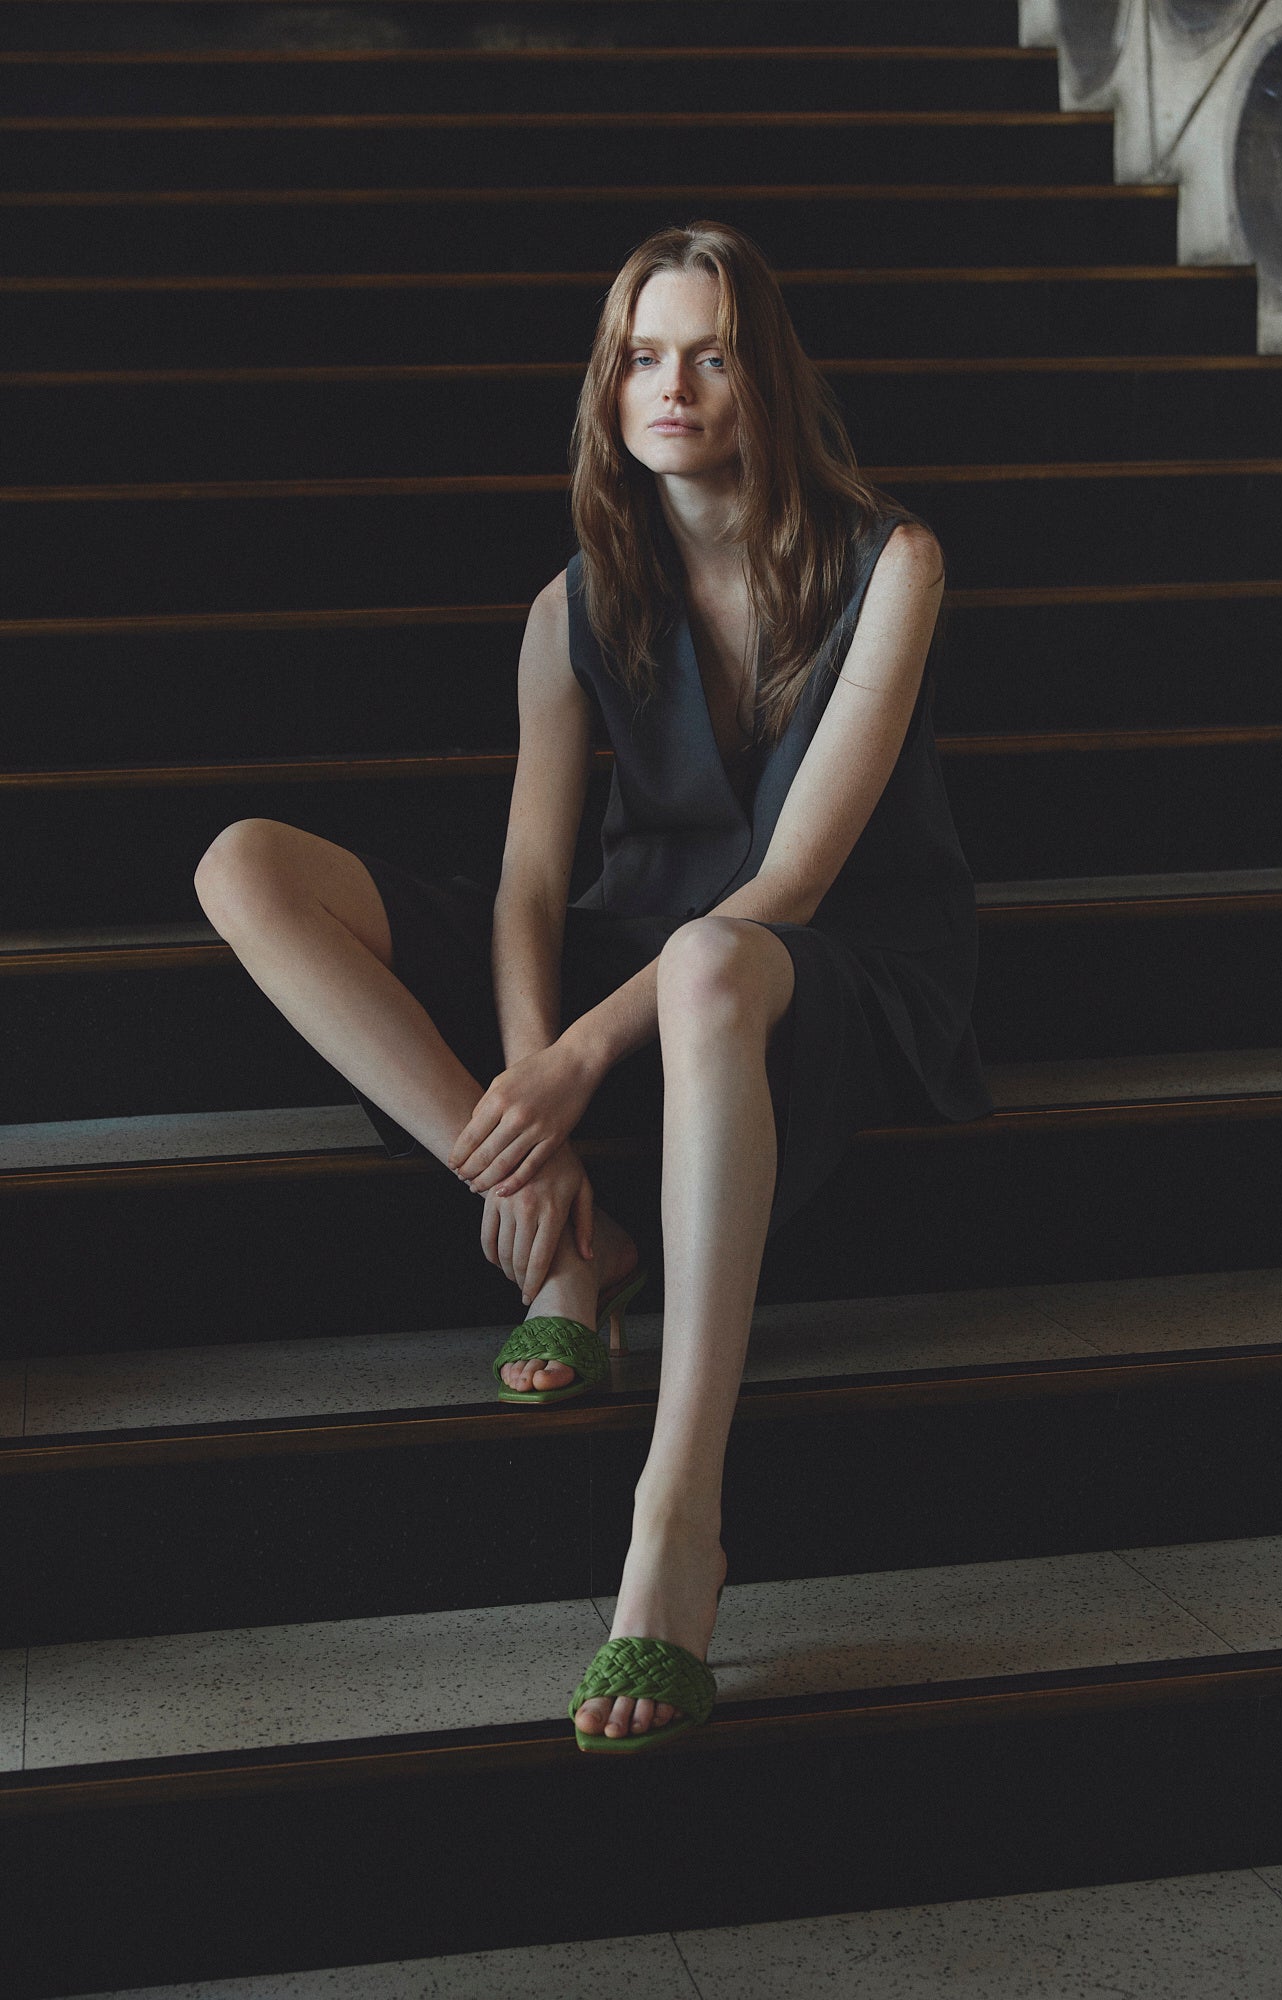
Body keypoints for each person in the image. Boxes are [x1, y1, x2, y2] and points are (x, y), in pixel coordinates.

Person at [194, 221, 993, 1754]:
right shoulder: (572, 605)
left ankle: (675, 1524)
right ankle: (566, 1237)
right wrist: (530, 1102)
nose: (671, 386)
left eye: (710, 355)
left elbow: (793, 880)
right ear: (607, 387)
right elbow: (526, 889)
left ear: (764, 378)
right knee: (245, 865)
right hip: (632, 949)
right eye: (641, 357)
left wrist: (573, 1063)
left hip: (820, 966)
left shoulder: (891, 561)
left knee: (709, 957)